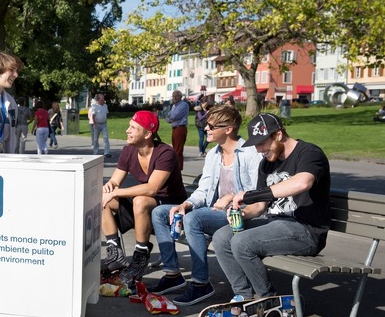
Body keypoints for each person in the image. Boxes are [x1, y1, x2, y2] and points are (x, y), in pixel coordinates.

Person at [150, 105, 262, 305]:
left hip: (240, 214)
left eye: (210, 125)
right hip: (214, 212)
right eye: (205, 125)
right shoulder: (213, 155)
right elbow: (203, 190)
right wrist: (186, 204)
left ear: (228, 129)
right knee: (160, 212)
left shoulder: (250, 153)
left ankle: (201, 284)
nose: (206, 129)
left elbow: (257, 192)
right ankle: (172, 273)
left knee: (194, 218)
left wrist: (231, 197)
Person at [213, 113, 331, 301]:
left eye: (262, 142)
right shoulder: (266, 164)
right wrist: (242, 214)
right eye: (256, 144)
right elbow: (260, 207)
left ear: (278, 134)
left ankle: (270, 301)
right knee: (221, 237)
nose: (259, 149)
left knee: (242, 243)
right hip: (274, 225)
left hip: (305, 230)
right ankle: (243, 296)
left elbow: (302, 183)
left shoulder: (309, 153)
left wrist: (250, 195)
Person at [100, 111, 187, 288]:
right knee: (103, 199)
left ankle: (140, 256)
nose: (127, 130)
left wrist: (117, 192)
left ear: (147, 134)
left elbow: (152, 188)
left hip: (171, 206)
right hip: (147, 203)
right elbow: (114, 181)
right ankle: (115, 253)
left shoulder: (166, 153)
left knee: (139, 200)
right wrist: (108, 188)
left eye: (133, 128)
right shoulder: (128, 150)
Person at [165, 90, 189, 170]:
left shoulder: (183, 105)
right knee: (175, 149)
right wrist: (170, 117)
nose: (174, 98)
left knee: (178, 150)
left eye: (176, 96)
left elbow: (174, 116)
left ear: (180, 96)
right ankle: (176, 167)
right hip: (175, 128)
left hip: (180, 128)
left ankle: (177, 168)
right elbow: (167, 118)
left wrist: (170, 117)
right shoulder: (174, 106)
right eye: (173, 96)